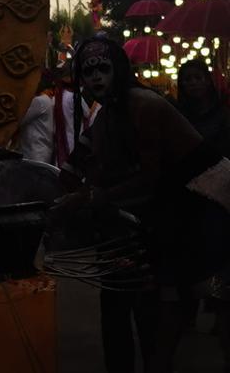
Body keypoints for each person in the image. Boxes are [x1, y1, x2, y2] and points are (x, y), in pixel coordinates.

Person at [59, 38, 228, 373]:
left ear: (119, 70)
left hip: (207, 207)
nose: (95, 78)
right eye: (87, 72)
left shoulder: (143, 104)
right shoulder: (110, 112)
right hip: (163, 212)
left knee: (202, 296)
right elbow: (82, 161)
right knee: (151, 300)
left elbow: (152, 178)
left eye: (102, 69)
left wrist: (96, 197)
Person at [177, 59, 230, 371]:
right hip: (187, 195)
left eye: (198, 78)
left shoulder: (222, 117)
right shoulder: (179, 116)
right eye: (188, 79)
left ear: (208, 82)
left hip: (217, 194)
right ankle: (189, 309)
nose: (194, 84)